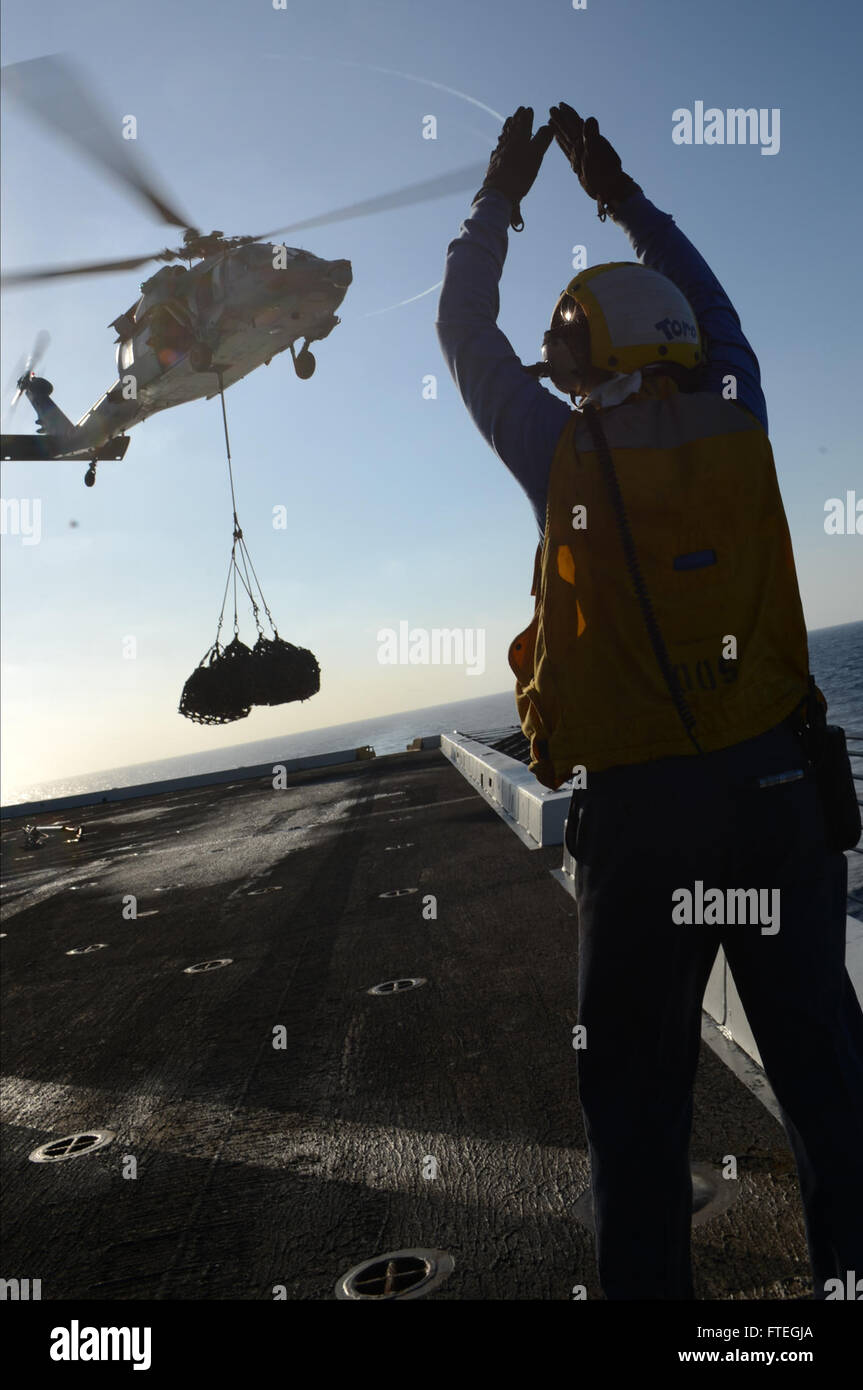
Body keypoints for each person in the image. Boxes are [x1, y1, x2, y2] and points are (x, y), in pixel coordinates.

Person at [436, 103, 863, 1300]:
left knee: (634, 1120)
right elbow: (709, 296)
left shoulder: (559, 451)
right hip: (778, 800)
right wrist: (615, 191)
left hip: (640, 834)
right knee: (831, 1095)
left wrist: (497, 200)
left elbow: (461, 325)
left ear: (588, 356)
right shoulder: (741, 404)